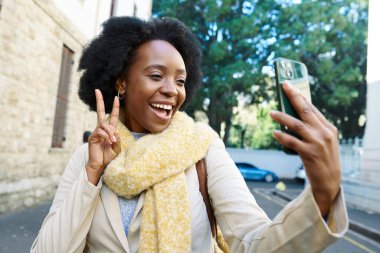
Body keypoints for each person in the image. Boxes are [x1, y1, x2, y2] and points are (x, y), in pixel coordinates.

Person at [31, 16, 348, 253]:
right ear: (121, 83)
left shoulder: (203, 148)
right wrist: (92, 174)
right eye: (156, 75)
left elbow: (253, 242)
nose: (171, 90)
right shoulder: (88, 158)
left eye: (180, 81)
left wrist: (321, 195)